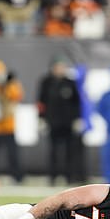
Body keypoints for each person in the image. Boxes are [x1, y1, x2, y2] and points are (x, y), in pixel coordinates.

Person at [37, 56, 81, 185]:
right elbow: (41, 102)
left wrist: (77, 119)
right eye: (58, 67)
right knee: (53, 151)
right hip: (53, 122)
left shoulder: (70, 82)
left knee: (69, 152)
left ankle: (69, 177)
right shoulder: (46, 82)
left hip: (67, 123)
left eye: (62, 67)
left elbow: (76, 103)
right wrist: (41, 118)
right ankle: (53, 177)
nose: (60, 69)